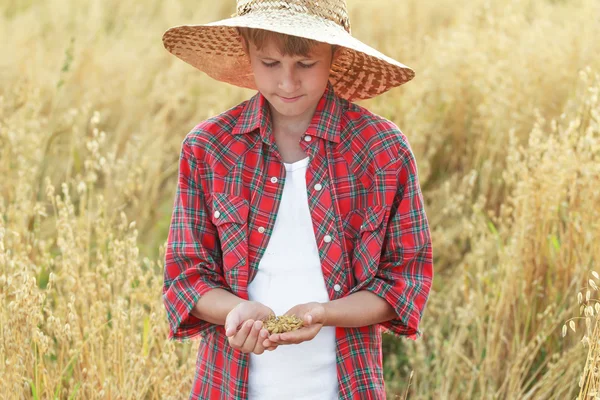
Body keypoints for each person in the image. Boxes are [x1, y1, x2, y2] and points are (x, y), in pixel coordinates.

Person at [161, 1, 433, 398]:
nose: (287, 83)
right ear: (247, 52)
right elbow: (186, 277)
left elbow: (403, 281)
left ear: (335, 56)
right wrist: (236, 312)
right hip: (228, 385)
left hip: (344, 385)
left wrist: (323, 314)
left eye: (305, 64)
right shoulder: (209, 149)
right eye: (269, 63)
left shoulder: (382, 151)